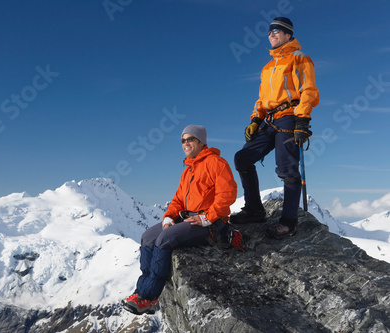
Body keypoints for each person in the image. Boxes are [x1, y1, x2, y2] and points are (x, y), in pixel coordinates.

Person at [123, 125, 238, 315]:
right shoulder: (188, 170)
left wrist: (207, 218)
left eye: (190, 139)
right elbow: (178, 200)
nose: (185, 143)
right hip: (187, 218)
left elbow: (228, 194)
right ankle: (142, 290)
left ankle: (149, 297)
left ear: (201, 142)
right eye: (183, 140)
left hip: (209, 223)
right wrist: (169, 217)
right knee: (148, 237)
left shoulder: (216, 163)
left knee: (164, 239)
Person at [231, 17, 319, 239]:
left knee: (287, 169)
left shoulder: (299, 59)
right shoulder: (268, 67)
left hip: (290, 117)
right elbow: (262, 99)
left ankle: (289, 223)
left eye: (277, 31)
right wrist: (255, 120)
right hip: (270, 120)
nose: (272, 34)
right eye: (270, 31)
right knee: (242, 158)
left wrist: (302, 120)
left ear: (288, 35)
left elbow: (308, 90)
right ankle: (254, 210)